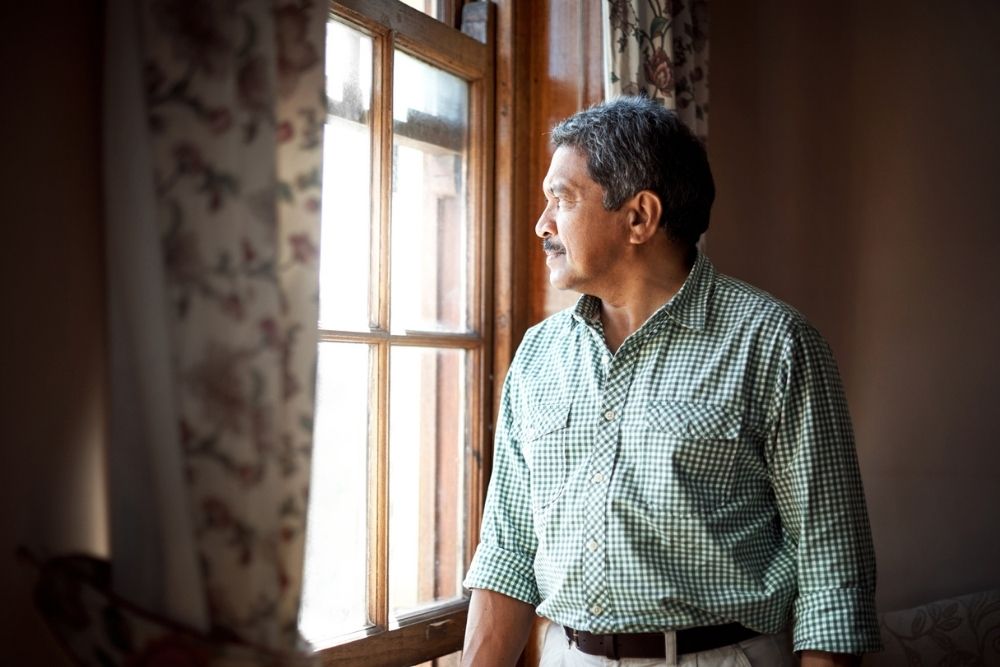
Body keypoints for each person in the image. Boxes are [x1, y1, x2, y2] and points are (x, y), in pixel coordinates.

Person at [460, 96, 880, 667]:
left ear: (639, 216)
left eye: (562, 198)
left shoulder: (776, 343)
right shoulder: (538, 354)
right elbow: (507, 551)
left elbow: (832, 568)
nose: (543, 223)